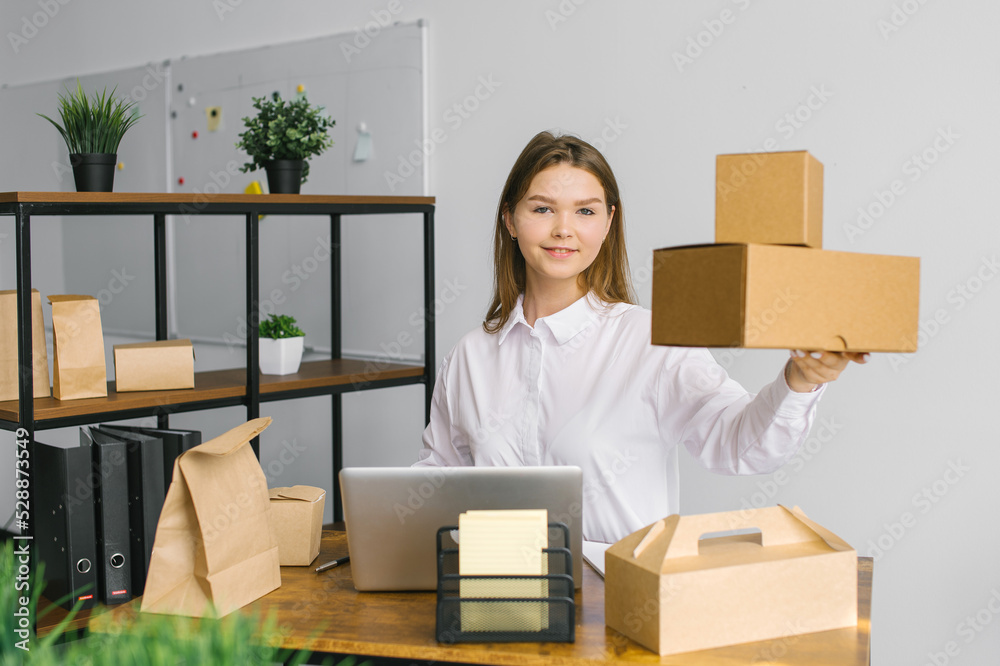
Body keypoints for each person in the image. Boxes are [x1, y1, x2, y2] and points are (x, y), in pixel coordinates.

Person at [414, 131, 866, 544]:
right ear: (510, 220)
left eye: (585, 211)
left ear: (608, 223)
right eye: (542, 208)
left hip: (620, 602)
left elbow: (739, 446)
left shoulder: (652, 341)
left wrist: (800, 381)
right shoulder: (470, 356)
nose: (563, 229)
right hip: (497, 597)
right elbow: (438, 482)